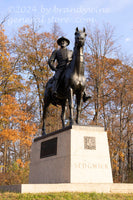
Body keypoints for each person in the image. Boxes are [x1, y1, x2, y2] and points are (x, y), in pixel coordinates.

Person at [48, 36, 90, 102]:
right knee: (57, 77)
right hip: (60, 69)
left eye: (64, 41)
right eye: (61, 41)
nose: (63, 42)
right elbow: (50, 61)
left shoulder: (71, 52)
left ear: (67, 43)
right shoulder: (56, 52)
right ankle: (54, 90)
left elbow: (75, 60)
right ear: (59, 43)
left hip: (69, 68)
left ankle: (85, 93)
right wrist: (54, 68)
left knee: (81, 78)